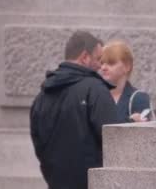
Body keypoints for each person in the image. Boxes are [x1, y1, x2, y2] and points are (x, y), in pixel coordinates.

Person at [30, 31, 119, 189]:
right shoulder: (95, 89)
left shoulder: (41, 97)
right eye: (98, 59)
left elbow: (39, 146)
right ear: (85, 57)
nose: (100, 65)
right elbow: (113, 139)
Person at [99, 40, 151, 123]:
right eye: (101, 63)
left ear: (127, 66)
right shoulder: (96, 96)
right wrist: (130, 120)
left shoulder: (138, 98)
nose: (103, 68)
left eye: (111, 63)